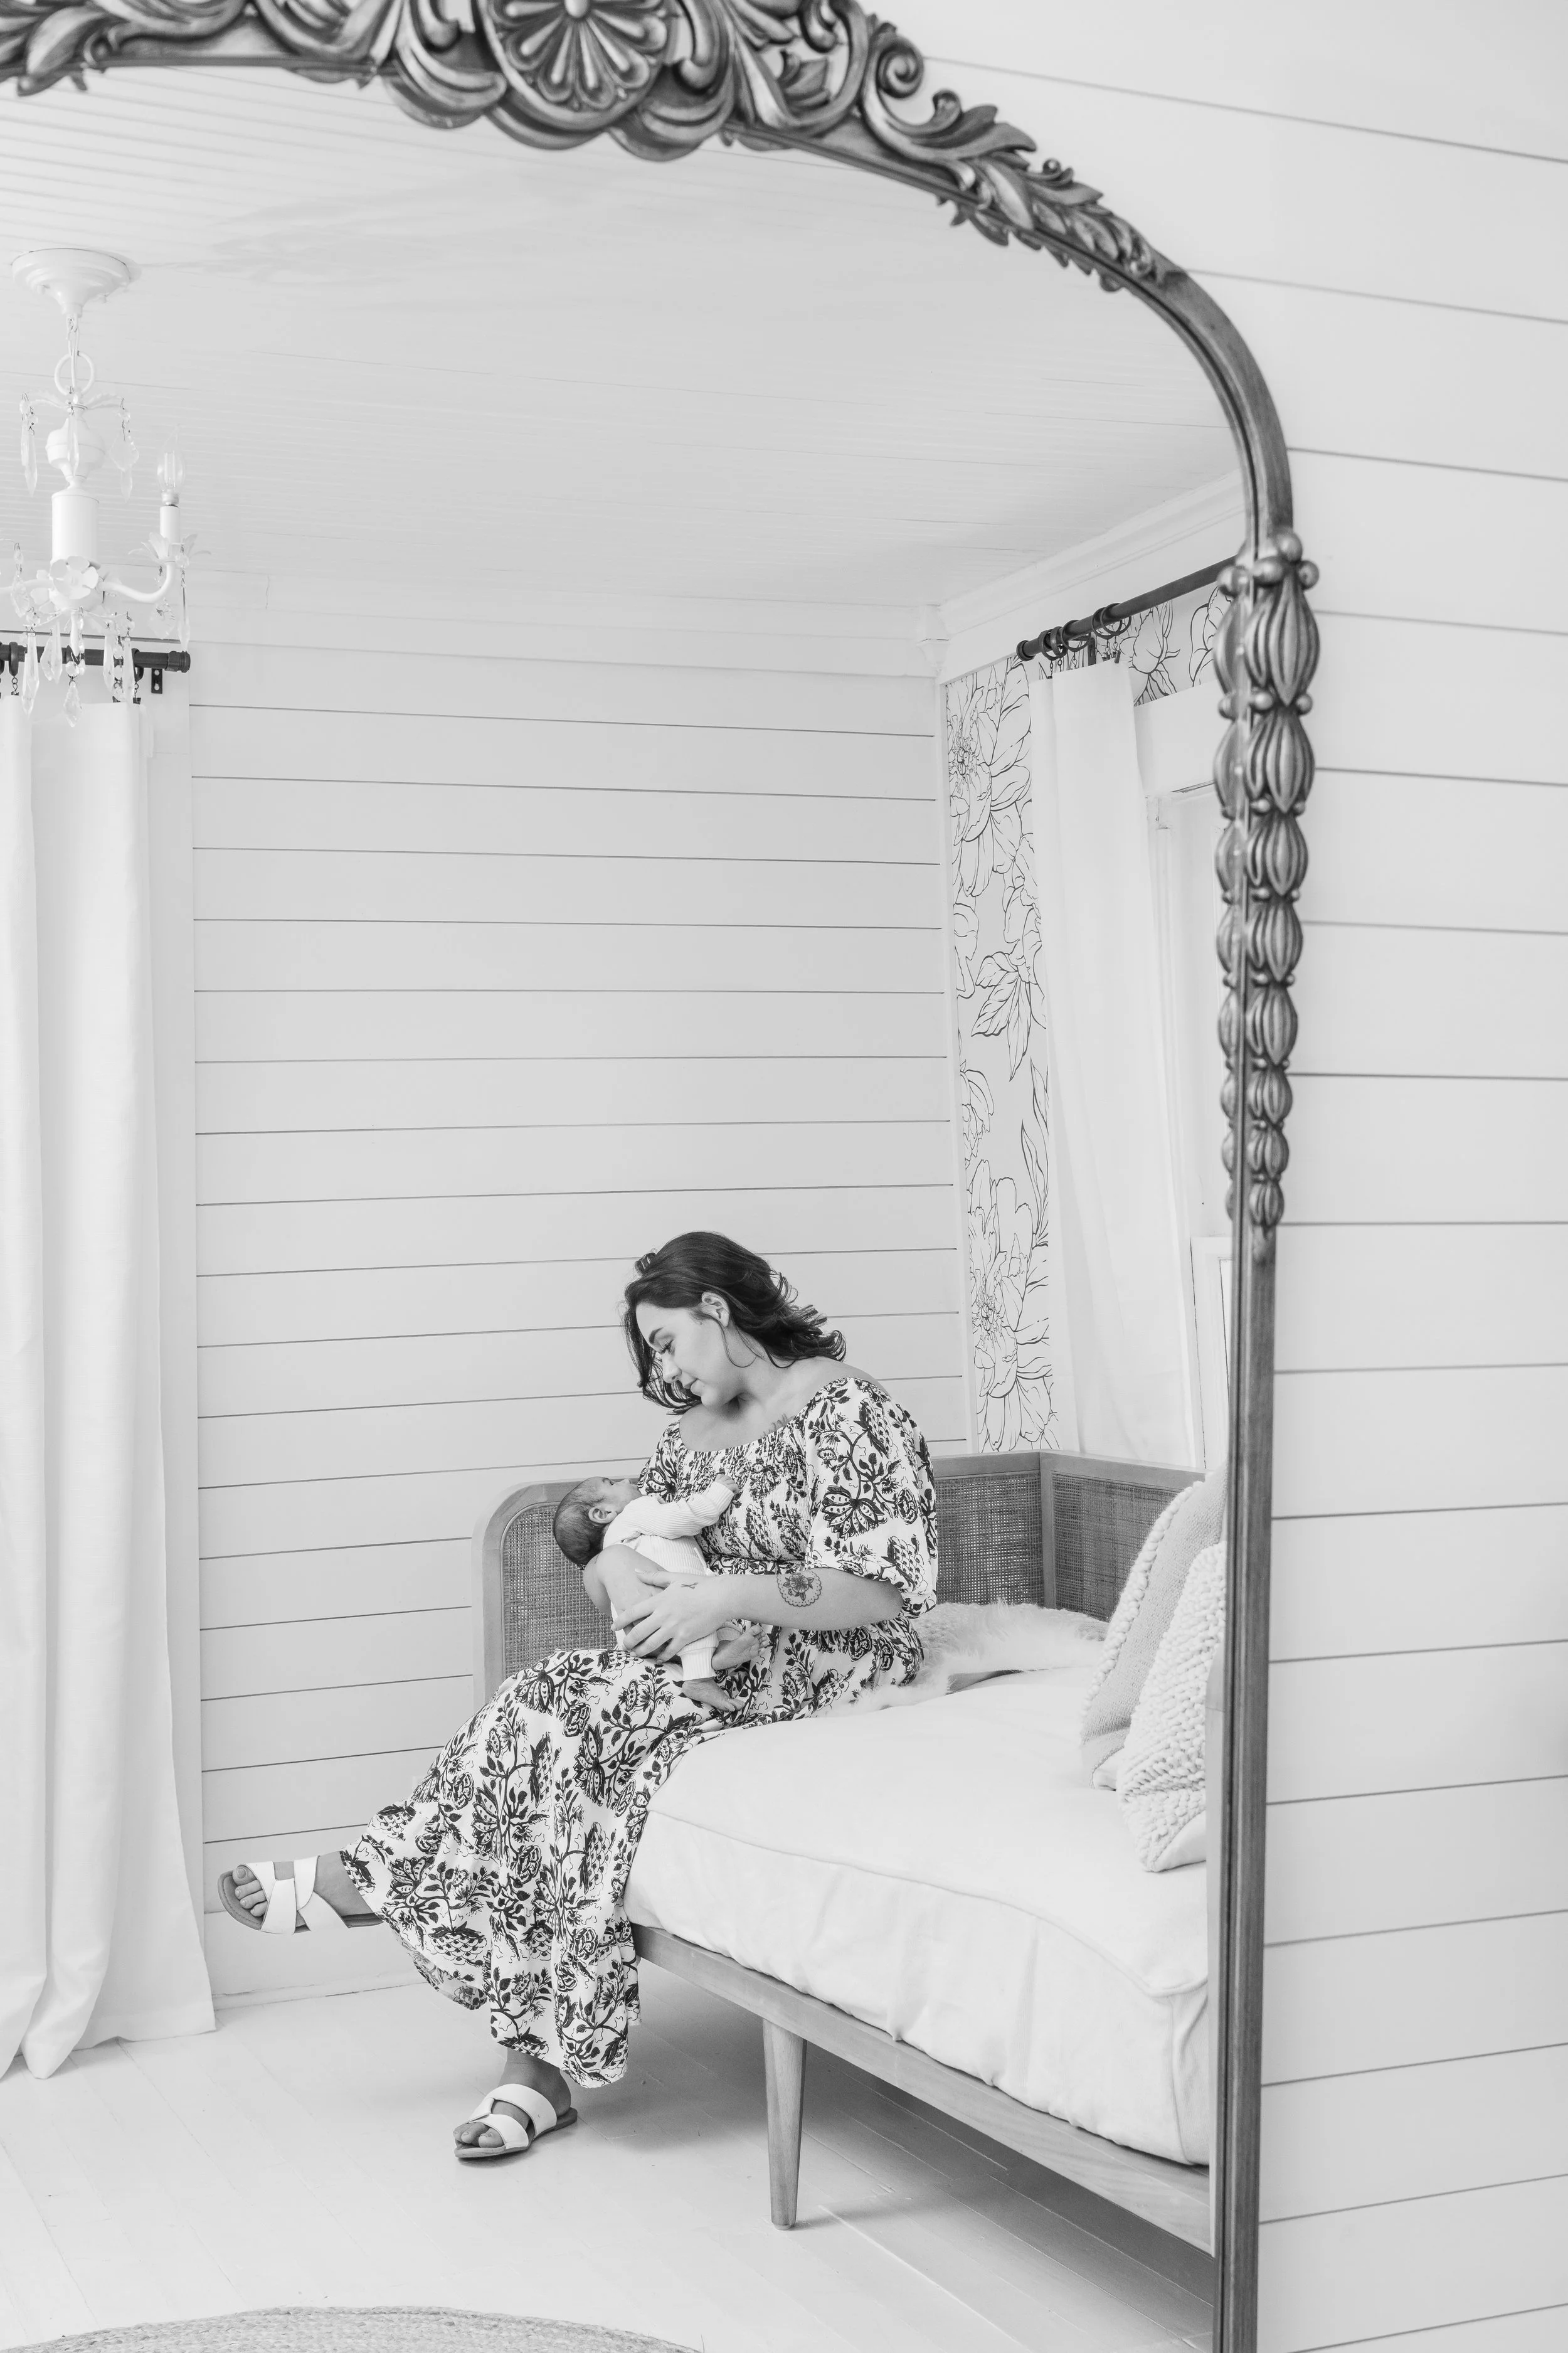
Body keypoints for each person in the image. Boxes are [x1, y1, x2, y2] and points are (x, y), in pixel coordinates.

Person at [218, 1231, 938, 2163]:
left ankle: (397, 1890)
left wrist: (724, 1594)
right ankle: (524, 2052)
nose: (665, 1369)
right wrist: (617, 1569)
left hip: (832, 1671)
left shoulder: (849, 1409)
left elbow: (891, 1586)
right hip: (712, 1665)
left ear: (717, 1310)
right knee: (546, 1703)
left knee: (571, 1720)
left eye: (668, 1341)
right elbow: (625, 1548)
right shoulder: (689, 1438)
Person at [550, 1470, 738, 1709]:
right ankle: (699, 1677)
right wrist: (717, 1494)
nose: (626, 1480)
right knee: (699, 1618)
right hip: (672, 1605)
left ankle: (718, 1655)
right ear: (603, 1513)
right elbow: (680, 1518)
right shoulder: (633, 1513)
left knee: (712, 1627)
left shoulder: (617, 1548)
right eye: (611, 1483)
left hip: (637, 1633)